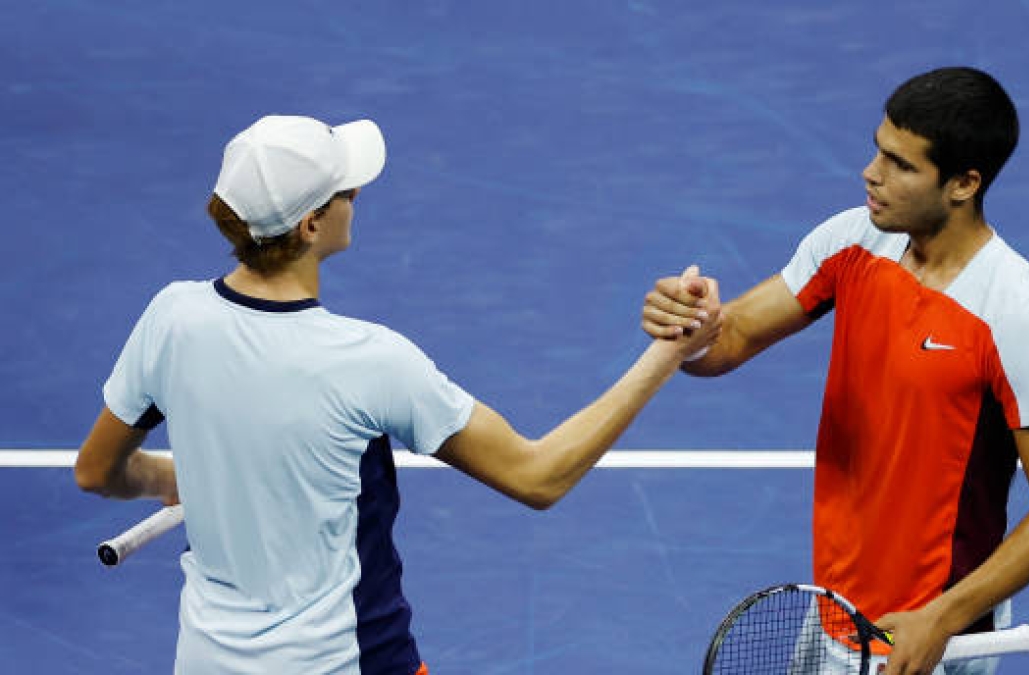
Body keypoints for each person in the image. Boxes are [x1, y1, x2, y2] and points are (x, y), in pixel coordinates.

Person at [74, 114, 720, 675]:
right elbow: (538, 475)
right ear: (311, 224)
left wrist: (169, 475)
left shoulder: (172, 318)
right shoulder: (370, 362)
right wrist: (669, 353)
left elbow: (98, 472)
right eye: (345, 190)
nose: (357, 195)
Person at [642, 67, 1029, 675]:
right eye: (879, 150)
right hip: (838, 608)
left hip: (922, 637)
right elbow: (731, 338)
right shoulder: (853, 242)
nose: (871, 173)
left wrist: (942, 617)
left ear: (963, 183)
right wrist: (690, 329)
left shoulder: (1018, 319)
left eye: (901, 165)